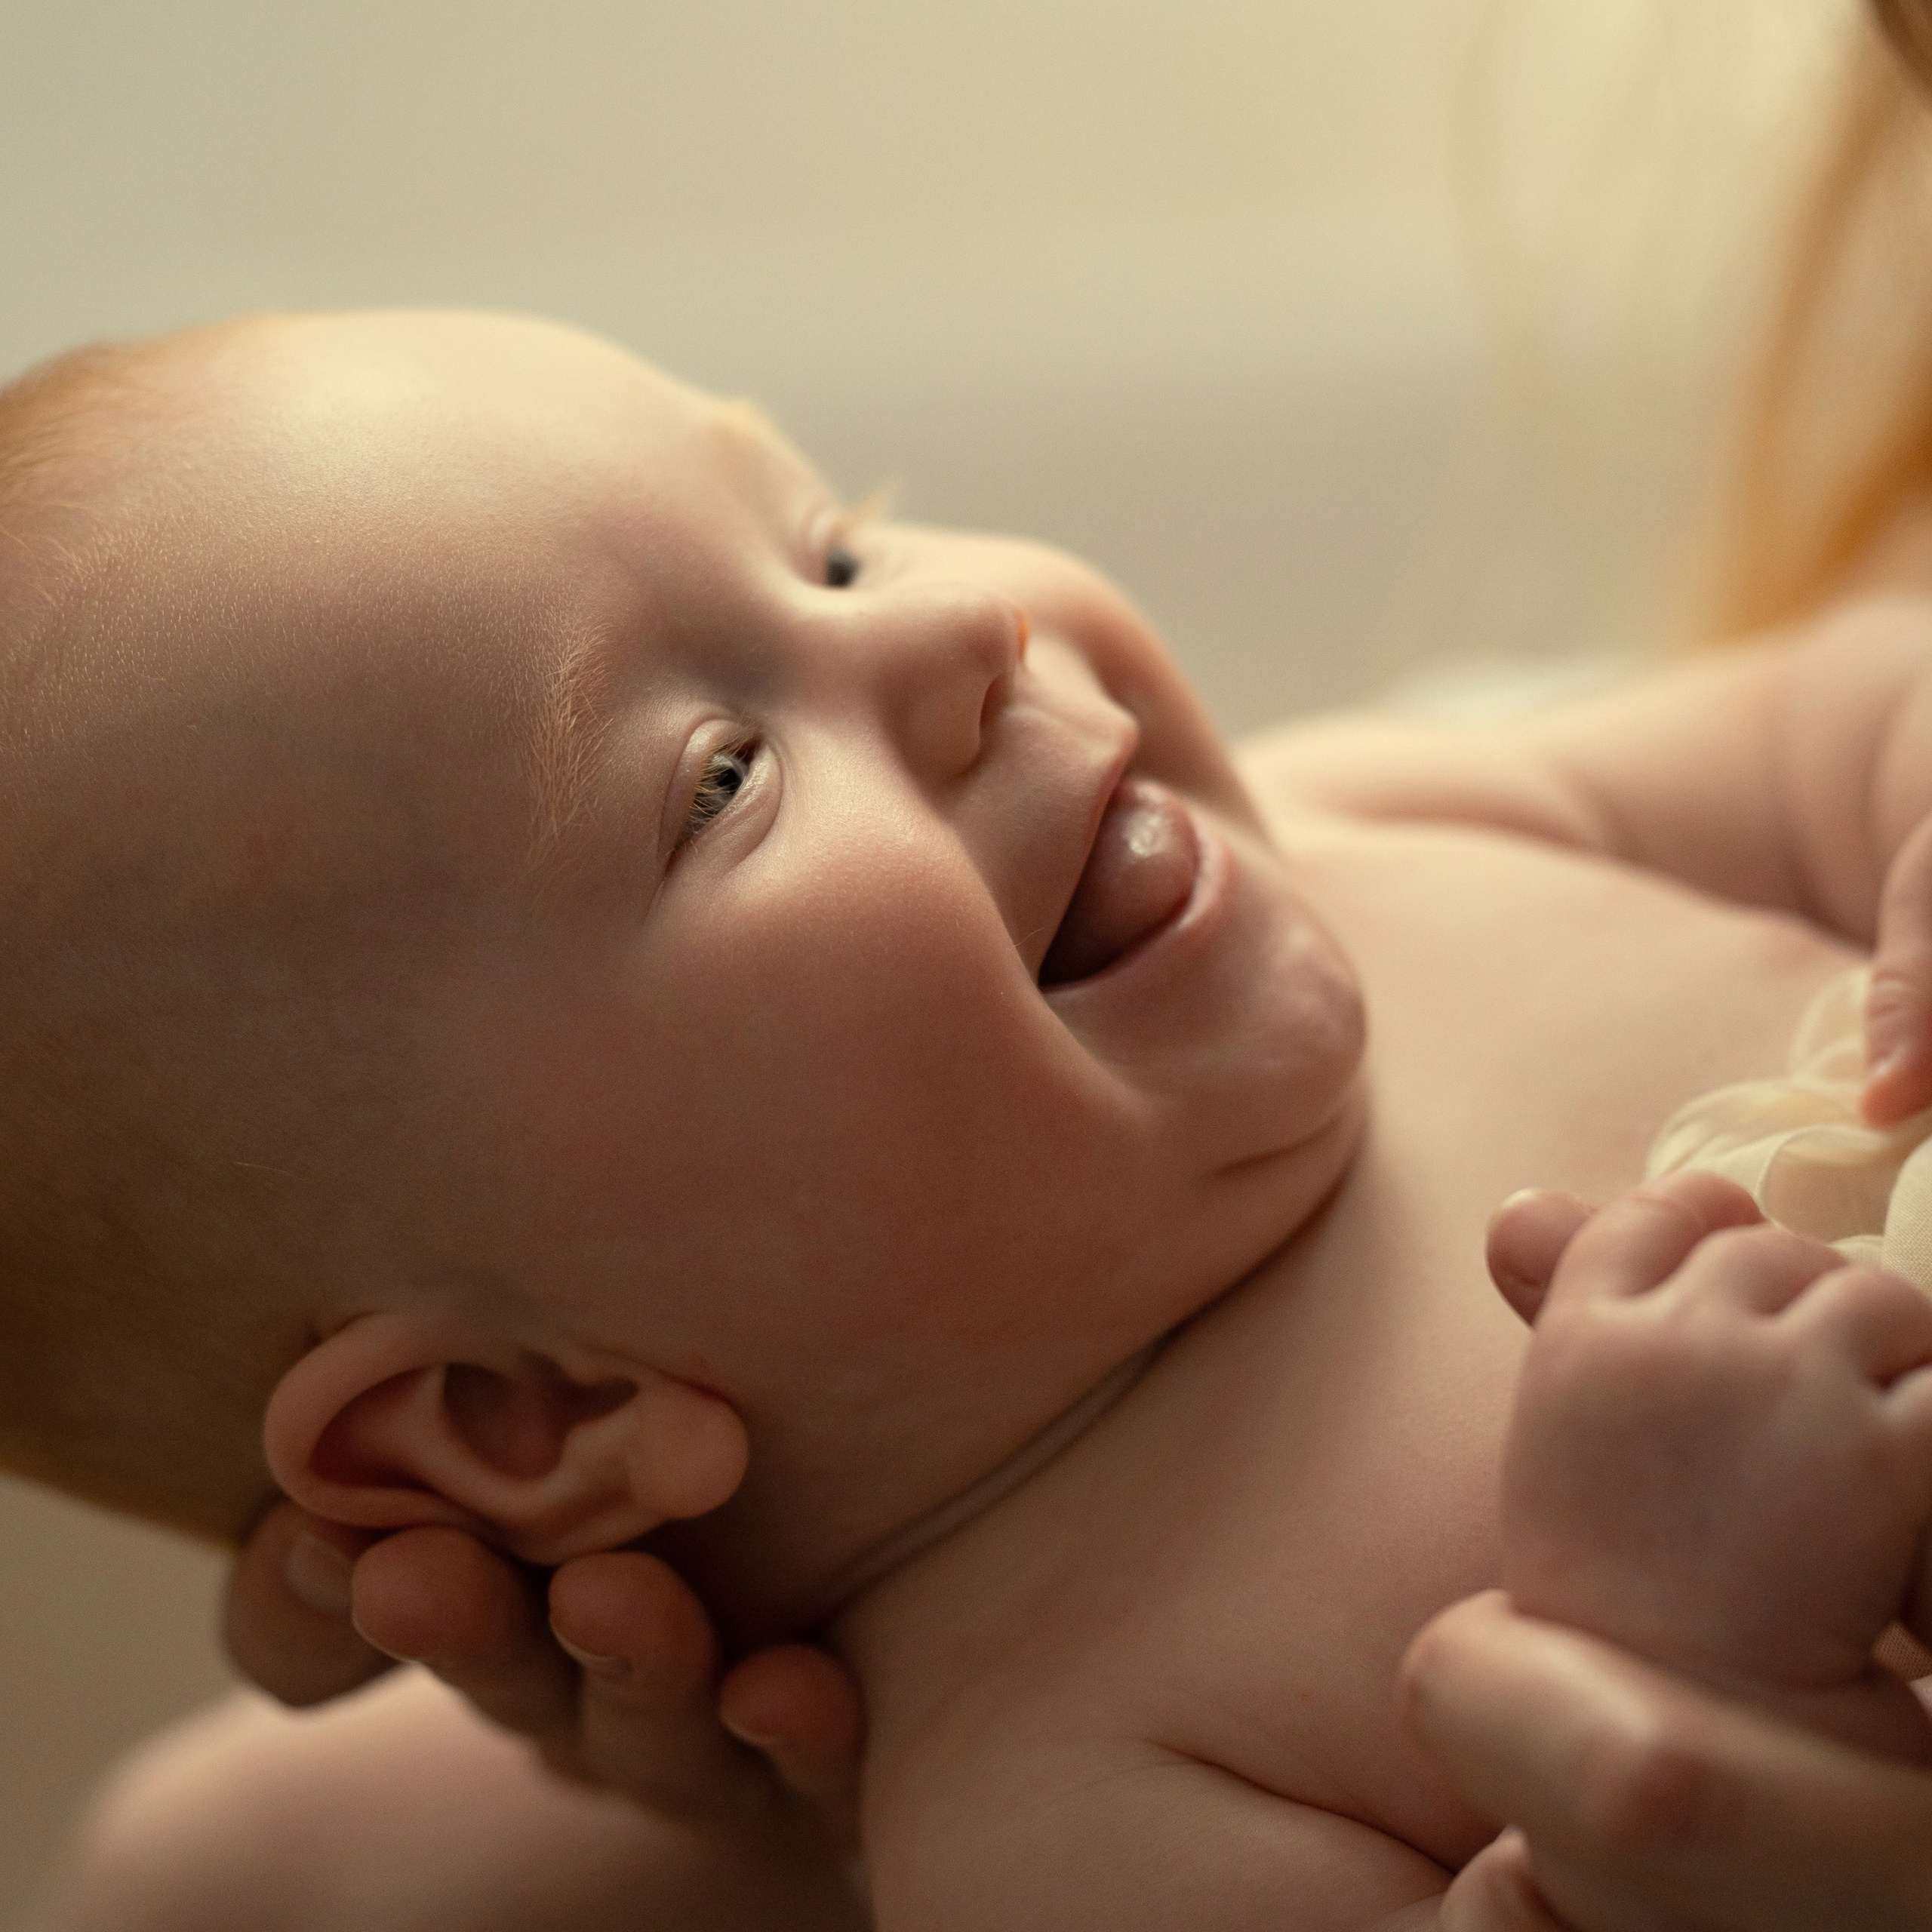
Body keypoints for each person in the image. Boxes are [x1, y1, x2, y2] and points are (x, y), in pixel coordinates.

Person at [17, 300, 1932, 1930]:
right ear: (537, 1411)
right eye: (718, 779)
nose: (960, 634)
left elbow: (1833, 720)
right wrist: (1676, 1662)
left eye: (834, 544)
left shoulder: (1373, 815)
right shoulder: (1069, 1782)